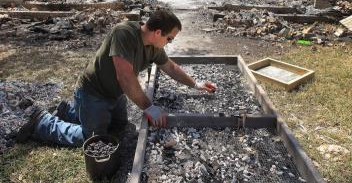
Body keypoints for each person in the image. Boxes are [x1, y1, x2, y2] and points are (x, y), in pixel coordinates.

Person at [16, 9, 217, 147]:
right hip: (93, 92)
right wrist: (149, 107)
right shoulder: (124, 33)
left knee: (119, 127)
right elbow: (126, 78)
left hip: (115, 95)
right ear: (157, 32)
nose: (170, 43)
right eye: (169, 38)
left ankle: (67, 111)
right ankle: (42, 122)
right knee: (94, 138)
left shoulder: (153, 47)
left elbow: (171, 68)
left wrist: (196, 84)